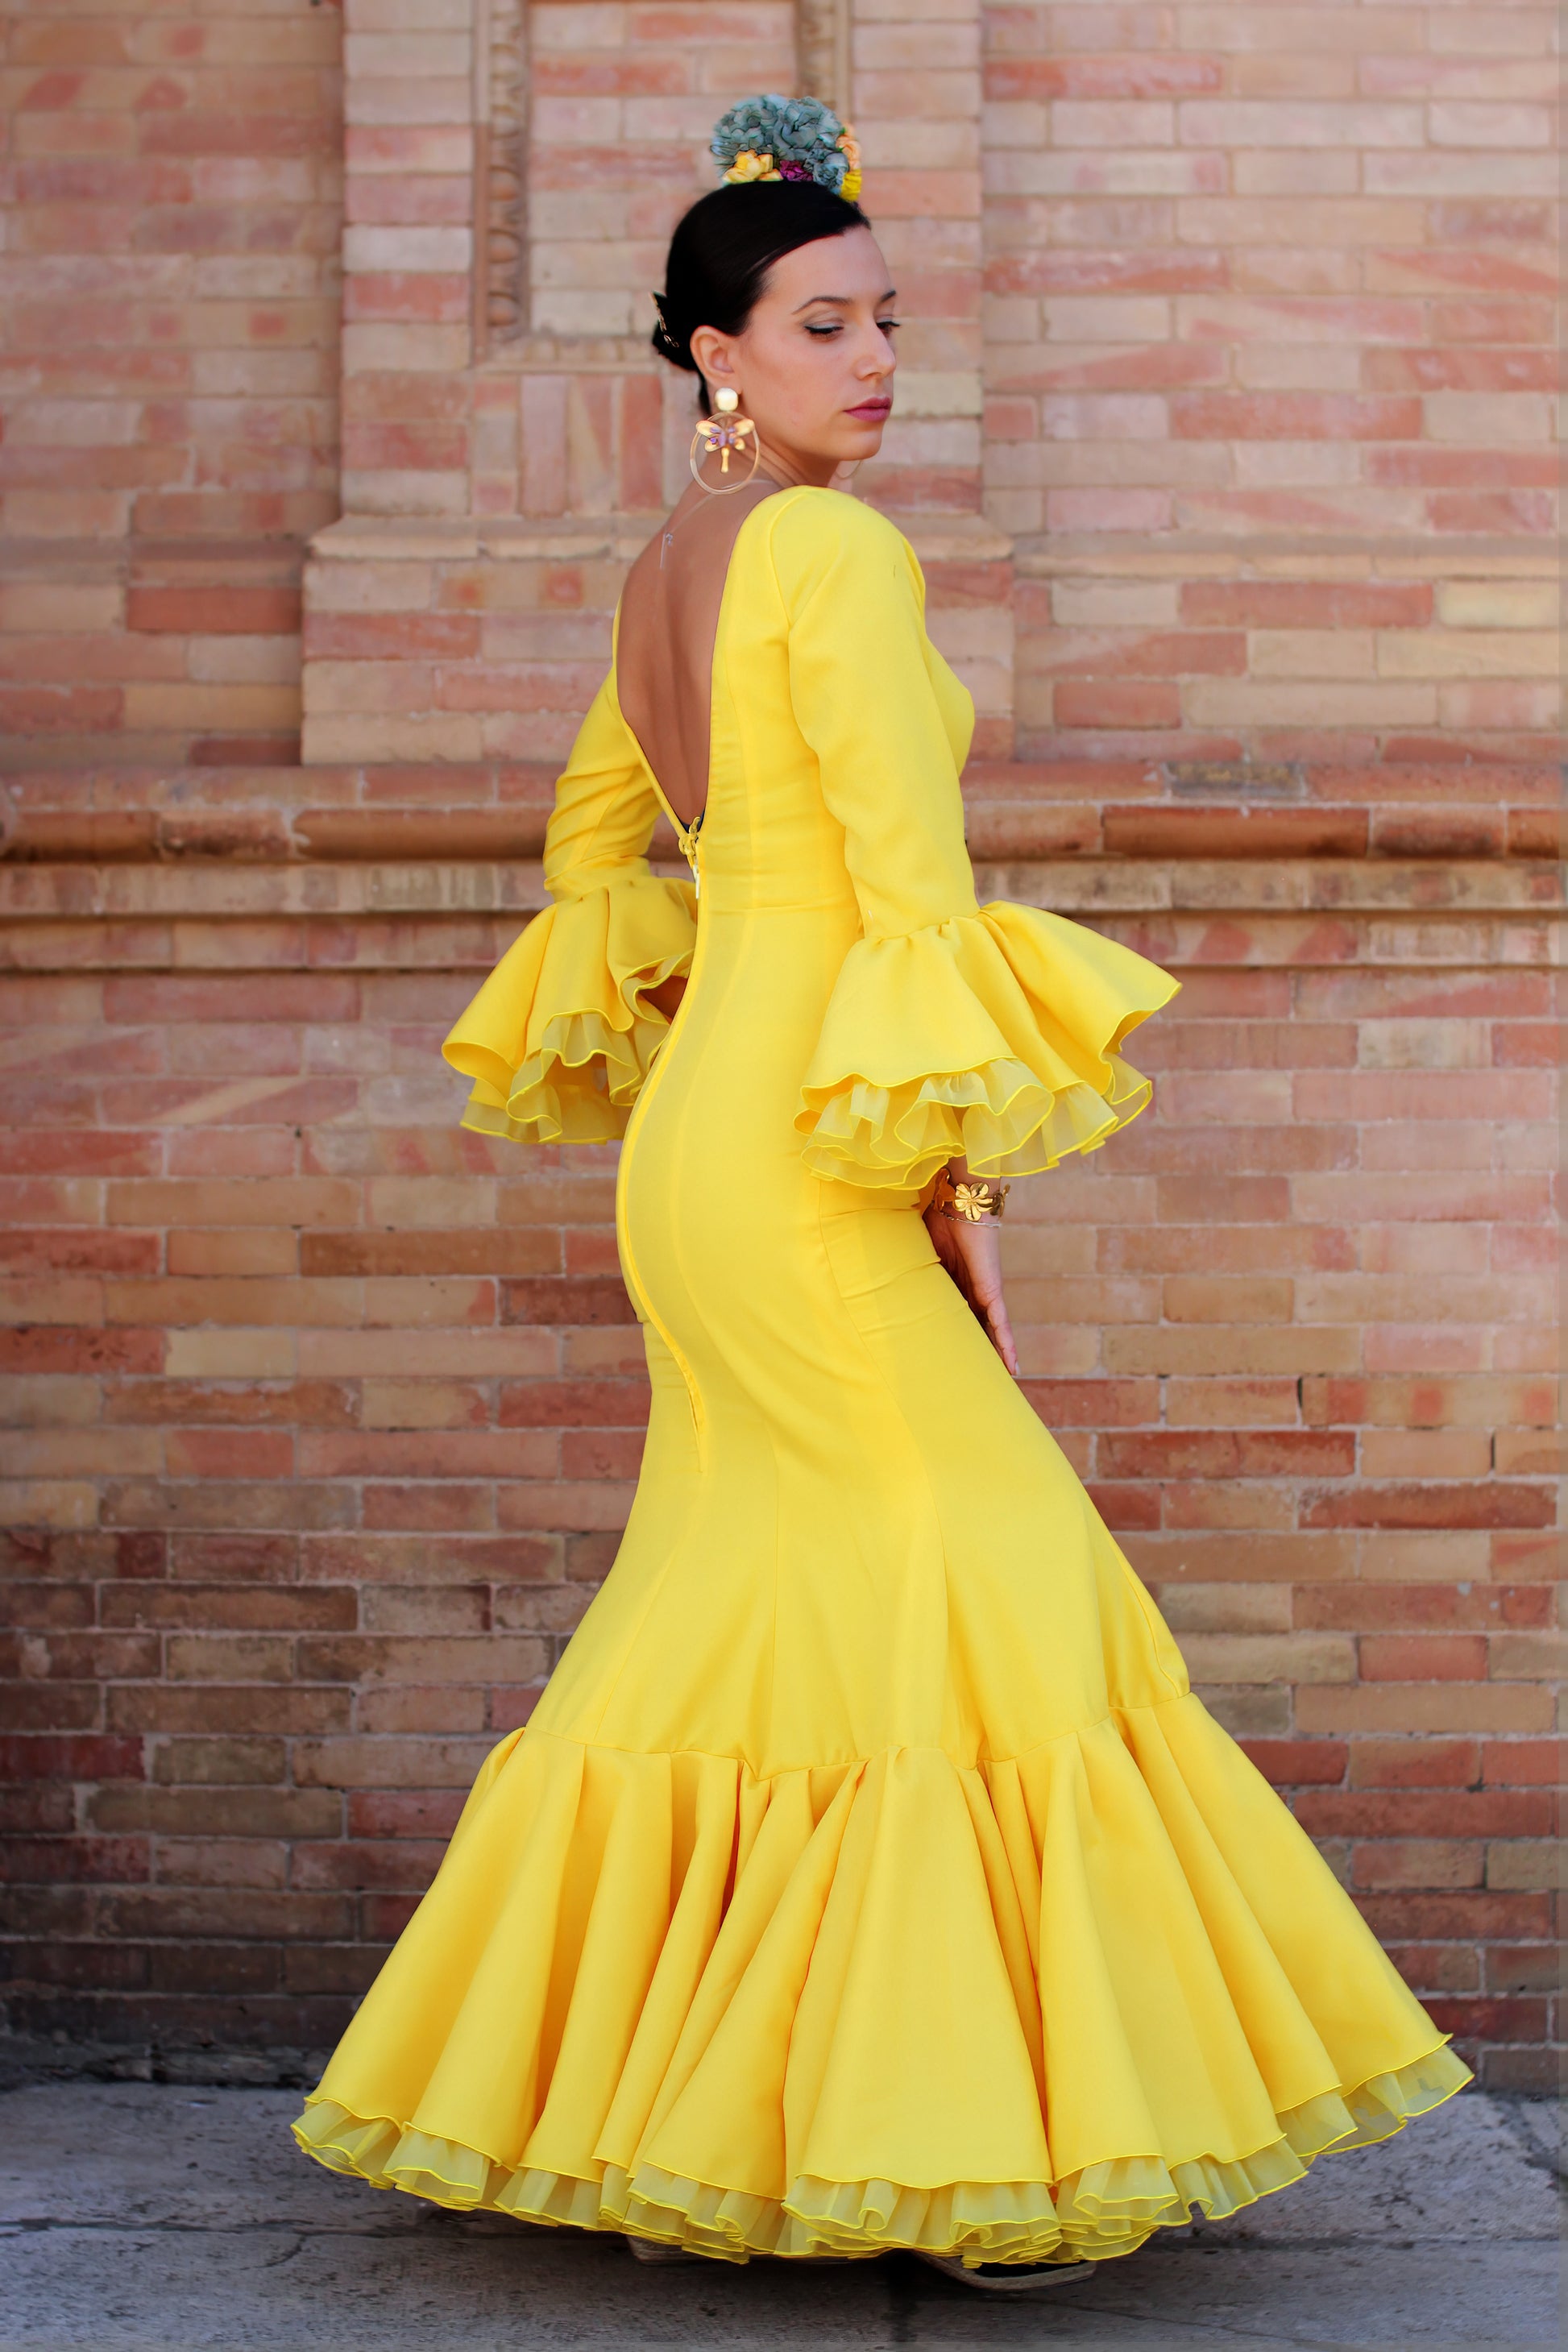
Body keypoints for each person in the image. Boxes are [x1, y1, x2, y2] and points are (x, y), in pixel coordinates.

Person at [292, 95, 1469, 2292]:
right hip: (822, 1148)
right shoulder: (831, 554)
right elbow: (908, 884)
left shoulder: (672, 567)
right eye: (821, 324)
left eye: (887, 321)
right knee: (983, 1576)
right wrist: (950, 1172)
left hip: (709, 1144)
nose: (874, 360)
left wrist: (698, 1029)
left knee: (747, 1594)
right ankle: (916, 2120)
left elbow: (581, 857)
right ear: (716, 356)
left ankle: (684, 2104)